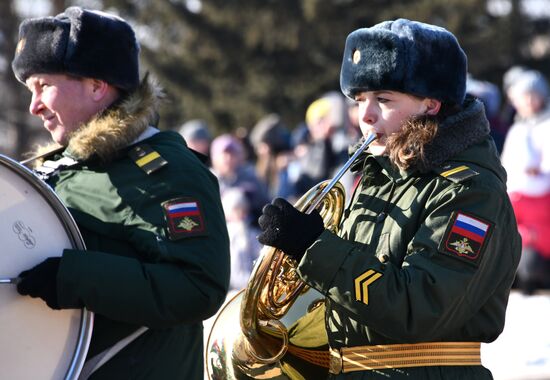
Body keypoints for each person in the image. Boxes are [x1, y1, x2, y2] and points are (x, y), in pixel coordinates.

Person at [258, 19, 521, 379]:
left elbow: (420, 308)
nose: (365, 115)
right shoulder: (377, 177)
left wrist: (313, 249)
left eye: (383, 99)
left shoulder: (470, 191)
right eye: (360, 99)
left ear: (430, 104)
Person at [11, 7, 230, 379]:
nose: (34, 107)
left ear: (97, 85)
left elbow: (198, 285)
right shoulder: (58, 167)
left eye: (44, 86)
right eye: (30, 90)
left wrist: (73, 278)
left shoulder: (167, 171)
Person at [500, 68, 550, 294]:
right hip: (515, 197)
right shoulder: (517, 129)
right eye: (524, 96)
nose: (529, 101)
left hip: (540, 200)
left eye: (533, 95)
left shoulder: (546, 126)